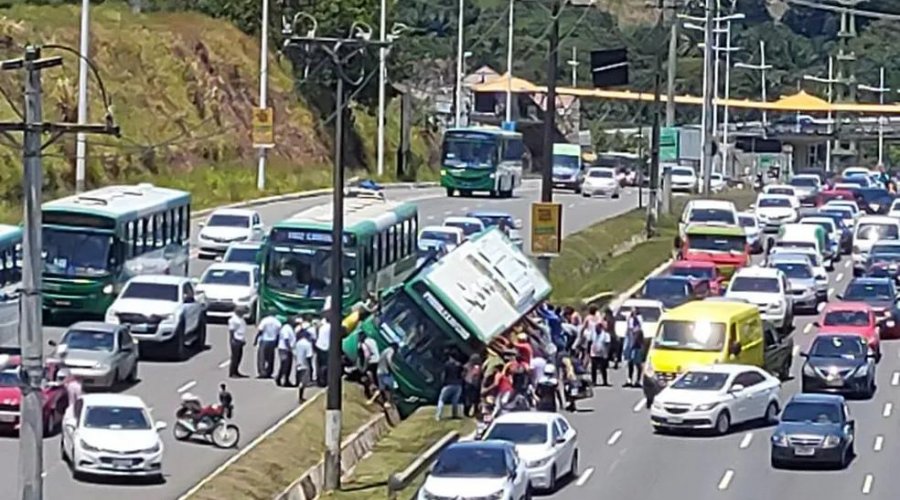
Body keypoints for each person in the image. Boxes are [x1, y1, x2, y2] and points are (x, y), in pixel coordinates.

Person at [436, 350, 464, 421]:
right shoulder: (459, 365)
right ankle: (454, 415)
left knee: (441, 400)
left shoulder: (447, 365)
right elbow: (462, 375)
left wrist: (442, 383)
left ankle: (438, 416)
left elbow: (443, 375)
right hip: (458, 385)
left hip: (448, 385)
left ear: (450, 357)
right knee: (455, 401)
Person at [254, 313, 281, 378]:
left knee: (262, 357)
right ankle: (269, 372)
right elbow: (278, 334)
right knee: (270, 358)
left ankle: (262, 372)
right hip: (272, 340)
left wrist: (256, 339)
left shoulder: (265, 320)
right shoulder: (277, 322)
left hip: (264, 340)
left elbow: (260, 331)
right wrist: (277, 342)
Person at [623, 310, 645, 387]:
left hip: (637, 347)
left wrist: (641, 348)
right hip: (630, 347)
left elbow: (641, 341)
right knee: (630, 363)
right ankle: (629, 379)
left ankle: (638, 381)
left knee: (638, 364)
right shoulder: (629, 330)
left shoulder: (639, 330)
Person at [293, 329, 314, 402]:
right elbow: (309, 356)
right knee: (303, 383)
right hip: (305, 365)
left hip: (298, 364)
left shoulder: (298, 343)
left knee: (300, 381)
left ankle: (300, 396)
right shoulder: (307, 344)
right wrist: (310, 366)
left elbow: (295, 353)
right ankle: (300, 397)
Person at [357, 331, 380, 398]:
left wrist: (364, 366)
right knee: (372, 374)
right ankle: (374, 386)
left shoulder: (364, 344)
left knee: (367, 373)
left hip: (371, 360)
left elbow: (367, 356)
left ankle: (372, 387)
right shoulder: (372, 340)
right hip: (377, 359)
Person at [227, 306, 248, 378]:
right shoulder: (233, 320)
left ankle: (236, 371)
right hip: (236, 340)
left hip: (240, 339)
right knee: (235, 357)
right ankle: (232, 372)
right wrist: (232, 340)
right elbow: (231, 331)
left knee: (239, 357)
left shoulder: (240, 319)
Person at [589, 319, 611, 387]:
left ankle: (605, 381)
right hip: (594, 353)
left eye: (598, 327)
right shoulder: (593, 333)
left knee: (603, 368)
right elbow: (590, 342)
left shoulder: (605, 335)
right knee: (593, 368)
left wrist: (607, 353)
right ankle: (594, 381)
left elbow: (608, 344)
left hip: (602, 354)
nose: (596, 328)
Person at [275, 316, 296, 386]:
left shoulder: (290, 328)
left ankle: (286, 380)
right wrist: (289, 348)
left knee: (288, 365)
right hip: (284, 349)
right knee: (285, 365)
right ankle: (279, 378)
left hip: (287, 349)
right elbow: (286, 339)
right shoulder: (286, 328)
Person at [314, 316, 331, 387]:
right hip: (325, 347)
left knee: (319, 364)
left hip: (319, 345)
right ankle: (324, 380)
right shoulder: (330, 327)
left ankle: (319, 380)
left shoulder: (323, 326)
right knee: (325, 365)